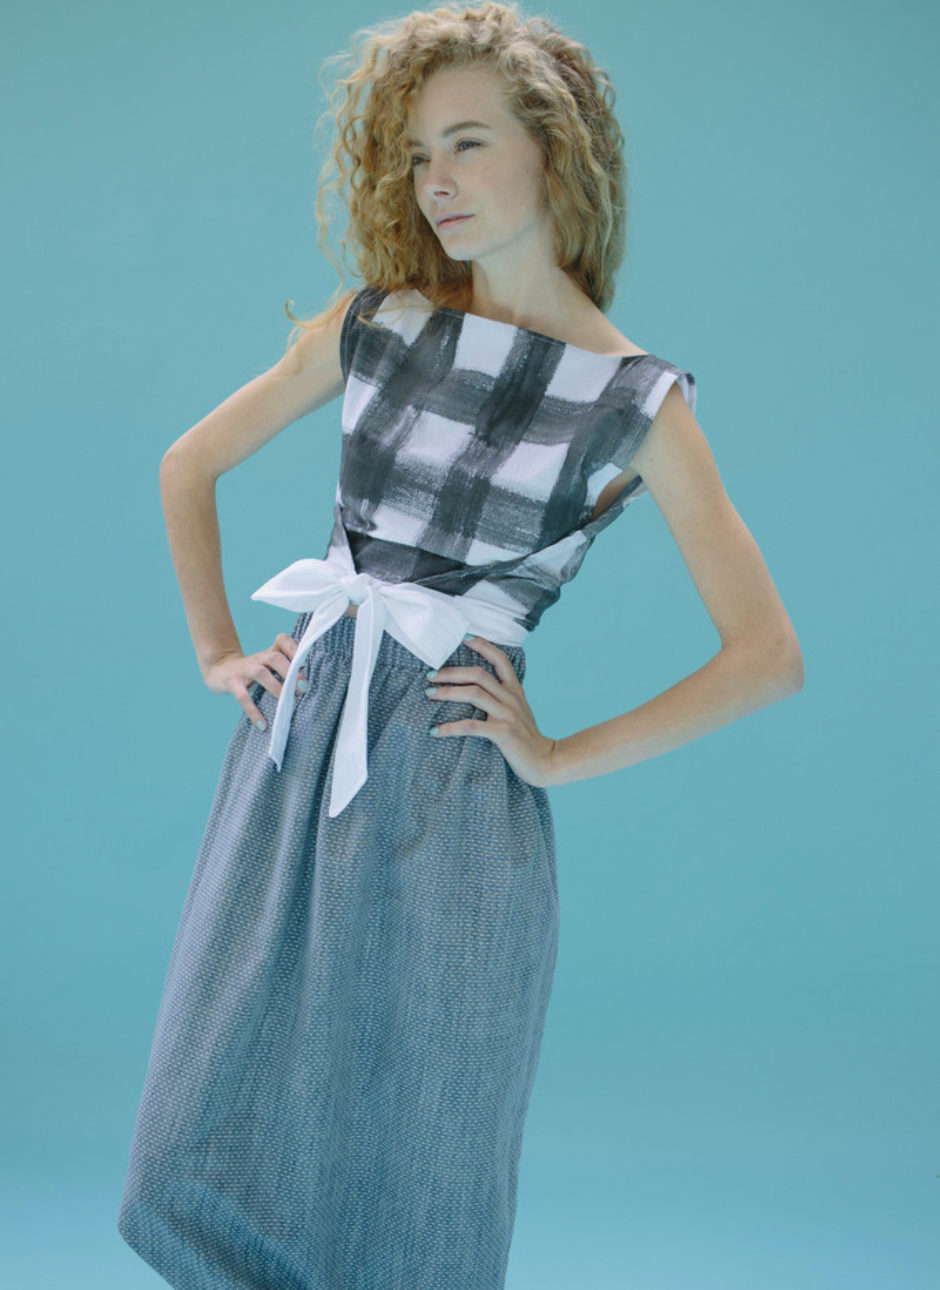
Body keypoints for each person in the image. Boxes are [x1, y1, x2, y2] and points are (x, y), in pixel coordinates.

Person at [117, 2, 803, 1287]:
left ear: (557, 151)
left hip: (452, 790)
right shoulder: (375, 324)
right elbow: (185, 465)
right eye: (420, 153)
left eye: (469, 143)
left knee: (421, 1157)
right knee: (188, 1151)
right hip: (297, 755)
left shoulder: (636, 401)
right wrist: (220, 653)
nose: (436, 180)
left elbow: (766, 655)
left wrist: (556, 756)